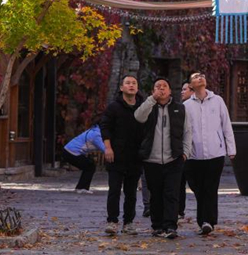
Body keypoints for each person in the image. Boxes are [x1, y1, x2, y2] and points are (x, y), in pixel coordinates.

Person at [135, 77, 192, 239]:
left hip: (174, 158)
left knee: (172, 193)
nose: (161, 89)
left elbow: (188, 132)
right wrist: (151, 99)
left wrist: (185, 152)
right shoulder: (148, 106)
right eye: (157, 86)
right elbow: (138, 117)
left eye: (164, 86)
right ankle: (157, 225)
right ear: (153, 90)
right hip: (151, 159)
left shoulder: (180, 109)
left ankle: (170, 226)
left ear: (169, 90)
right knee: (156, 194)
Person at [184, 71, 236, 236]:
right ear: (191, 85)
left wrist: (231, 148)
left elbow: (226, 124)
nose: (200, 78)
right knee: (197, 187)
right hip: (193, 155)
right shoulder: (186, 106)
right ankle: (207, 219)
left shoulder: (218, 101)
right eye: (195, 77)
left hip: (215, 152)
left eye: (202, 76)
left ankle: (206, 221)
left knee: (211, 187)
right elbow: (184, 131)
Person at [100, 75, 145, 236]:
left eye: (134, 83)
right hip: (116, 154)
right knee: (114, 190)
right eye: (128, 83)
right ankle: (112, 221)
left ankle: (129, 222)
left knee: (131, 192)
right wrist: (107, 147)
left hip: (135, 156)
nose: (131, 85)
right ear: (122, 87)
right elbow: (105, 127)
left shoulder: (142, 107)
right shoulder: (114, 107)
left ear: (137, 88)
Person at [63, 122, 105, 194]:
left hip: (68, 151)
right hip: (71, 152)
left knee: (89, 165)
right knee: (90, 166)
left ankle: (81, 187)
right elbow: (104, 149)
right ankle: (82, 188)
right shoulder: (96, 135)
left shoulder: (94, 131)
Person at [178, 81, 193, 218]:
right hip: (183, 151)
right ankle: (179, 210)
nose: (182, 92)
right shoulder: (180, 108)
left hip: (196, 151)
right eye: (181, 89)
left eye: (185, 89)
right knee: (179, 182)